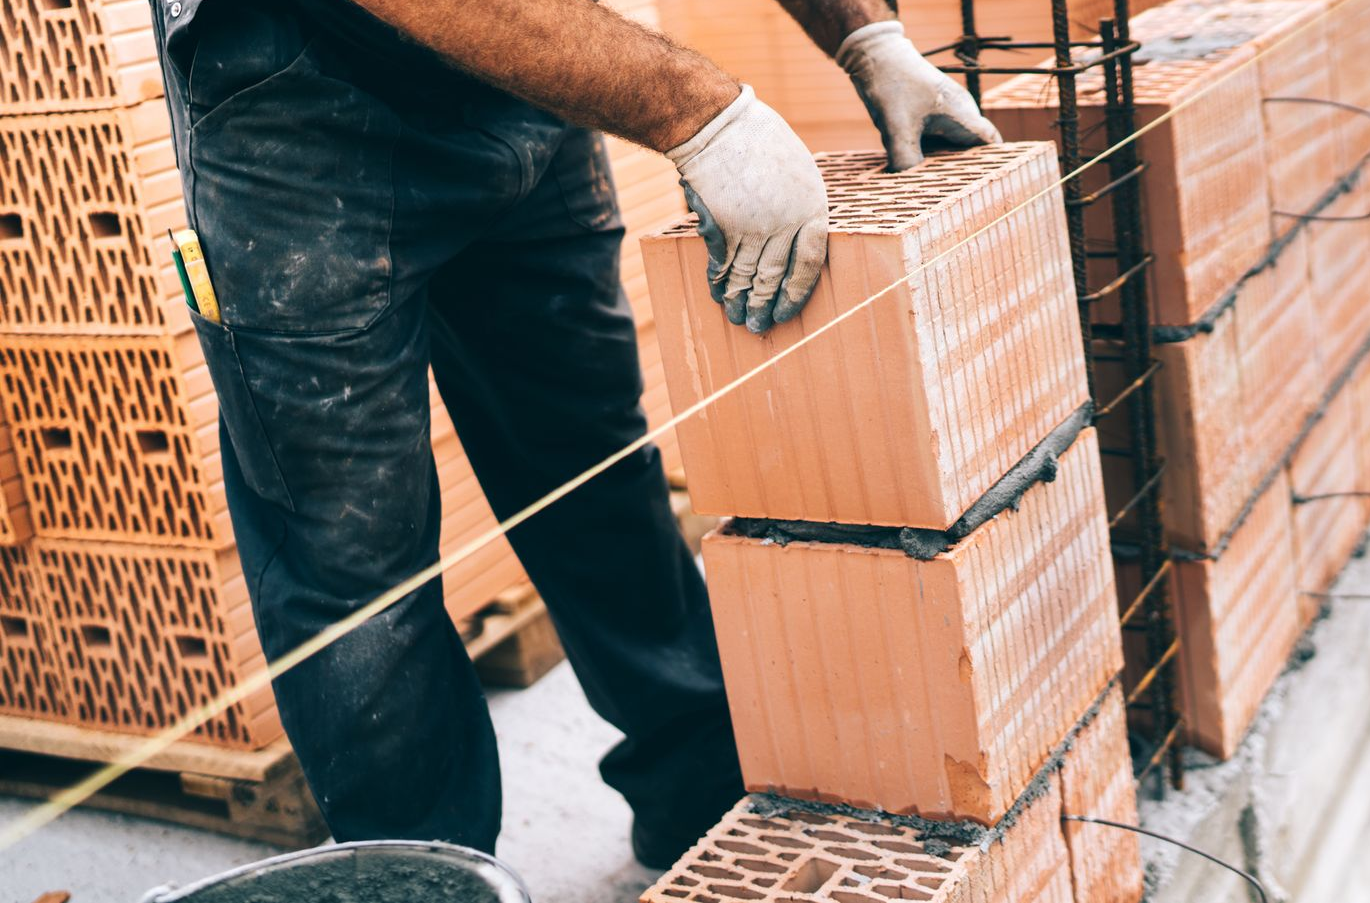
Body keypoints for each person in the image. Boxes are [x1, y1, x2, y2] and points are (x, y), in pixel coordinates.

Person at [142, 0, 1000, 877]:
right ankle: (429, 882)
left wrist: (865, 36)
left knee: (596, 467)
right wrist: (701, 113)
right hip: (289, 109)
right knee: (352, 564)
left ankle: (703, 807)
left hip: (531, 77)